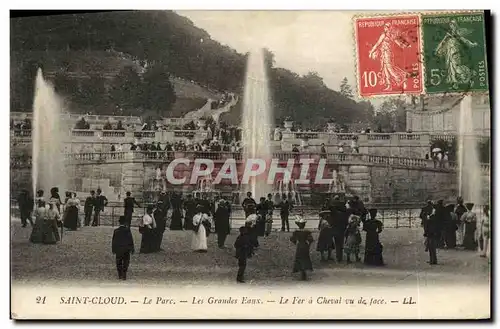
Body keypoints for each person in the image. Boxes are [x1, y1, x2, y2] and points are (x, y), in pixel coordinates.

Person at [290, 215, 314, 281]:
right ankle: (304, 270)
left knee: (299, 258)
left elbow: (292, 239)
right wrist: (309, 245)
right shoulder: (307, 232)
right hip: (305, 245)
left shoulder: (296, 232)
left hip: (300, 245)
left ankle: (301, 270)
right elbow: (311, 240)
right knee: (305, 257)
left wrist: (295, 242)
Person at [112, 216, 135, 280]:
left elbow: (114, 241)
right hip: (126, 249)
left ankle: (120, 274)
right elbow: (130, 240)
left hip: (119, 249)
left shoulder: (116, 231)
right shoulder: (127, 230)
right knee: (126, 262)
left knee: (118, 262)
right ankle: (124, 274)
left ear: (119, 223)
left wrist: (113, 249)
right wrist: (132, 248)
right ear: (125, 223)